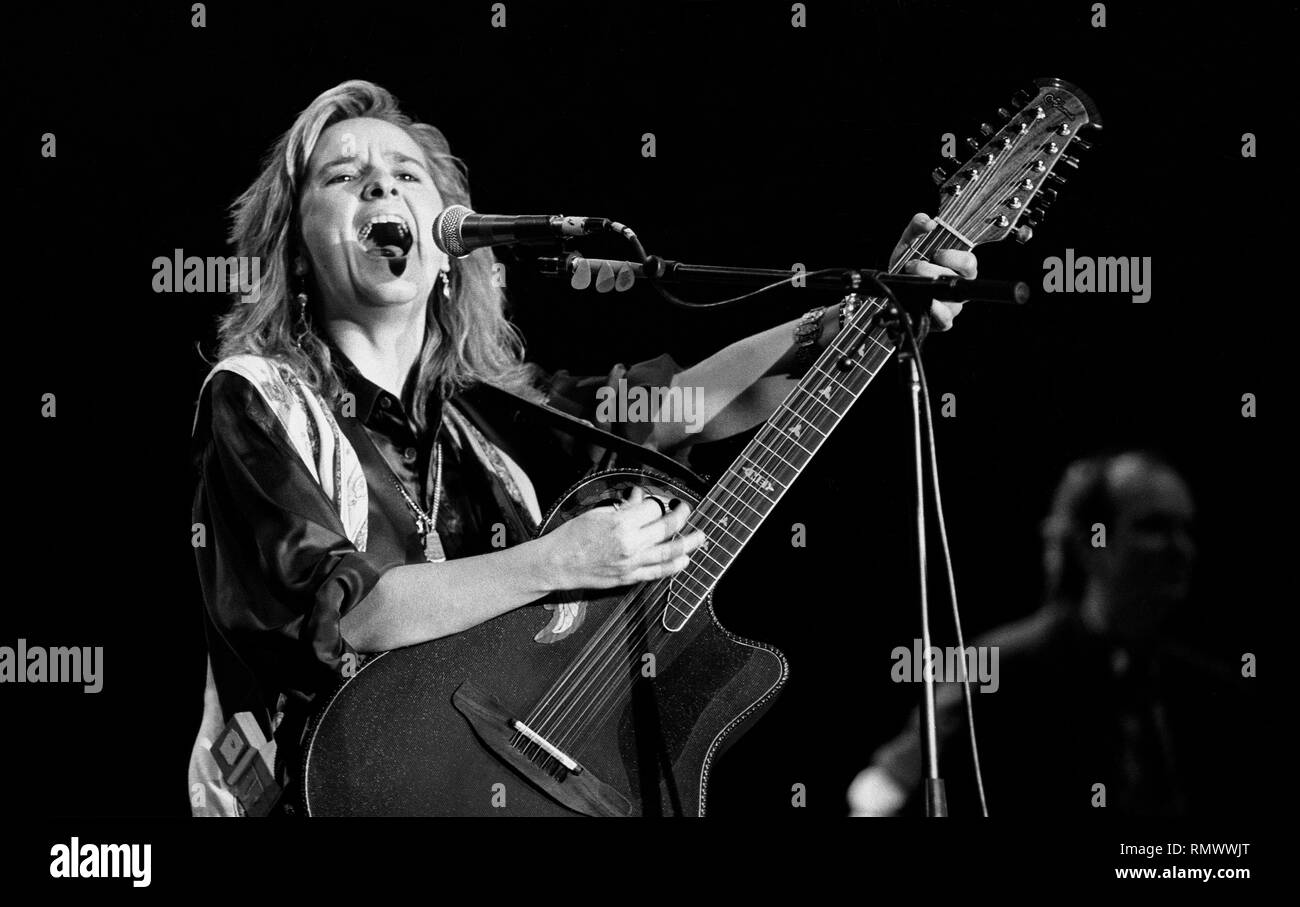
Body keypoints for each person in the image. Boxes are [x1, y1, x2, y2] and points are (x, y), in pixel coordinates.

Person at [188, 79, 976, 815]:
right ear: (295, 246)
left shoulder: (494, 418)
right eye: (342, 176)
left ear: (451, 249)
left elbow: (677, 409)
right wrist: (559, 561)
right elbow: (356, 615)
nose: (381, 185)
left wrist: (854, 316)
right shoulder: (257, 397)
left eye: (405, 173)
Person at [847, 451, 1254, 816]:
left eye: (1186, 529)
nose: (1181, 548)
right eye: (1154, 527)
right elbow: (878, 797)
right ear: (1090, 542)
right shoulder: (995, 665)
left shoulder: (1203, 685)